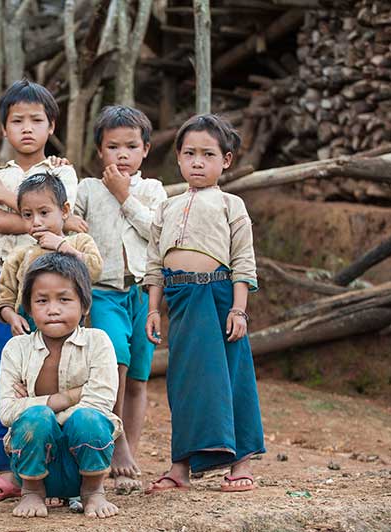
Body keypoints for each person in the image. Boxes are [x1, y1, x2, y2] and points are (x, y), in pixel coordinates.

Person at [0, 79, 86, 504]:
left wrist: (10, 201)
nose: (26, 128)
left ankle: (57, 472)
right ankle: (5, 469)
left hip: (55, 281)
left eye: (36, 120)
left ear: (51, 124)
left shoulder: (62, 171)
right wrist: (38, 215)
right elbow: (1, 224)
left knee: (60, 373)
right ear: (3, 129)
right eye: (16, 121)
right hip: (8, 282)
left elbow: (56, 222)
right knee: (2, 376)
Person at [143, 114, 265, 494]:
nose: (198, 162)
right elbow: (154, 263)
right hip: (180, 300)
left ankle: (240, 463)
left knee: (232, 374)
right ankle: (180, 467)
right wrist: (152, 309)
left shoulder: (232, 204)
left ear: (225, 161)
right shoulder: (166, 206)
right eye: (189, 153)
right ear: (178, 158)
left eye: (208, 154)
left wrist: (239, 309)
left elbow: (244, 261)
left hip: (219, 296)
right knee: (183, 382)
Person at [73, 106, 167, 494]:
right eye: (113, 147)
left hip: (143, 294)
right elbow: (70, 221)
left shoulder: (152, 190)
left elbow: (156, 233)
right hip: (104, 292)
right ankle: (118, 444)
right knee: (116, 367)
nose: (122, 155)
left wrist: (125, 196)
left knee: (139, 379)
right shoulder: (88, 189)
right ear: (100, 152)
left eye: (131, 146)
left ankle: (131, 450)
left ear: (145, 150)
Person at [0, 253, 121, 519]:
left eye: (64, 299)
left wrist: (41, 408)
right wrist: (68, 397)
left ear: (84, 305)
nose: (53, 309)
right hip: (37, 466)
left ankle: (93, 492)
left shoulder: (97, 342)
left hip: (85, 463)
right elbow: (7, 412)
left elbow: (100, 402)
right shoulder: (16, 349)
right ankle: (31, 492)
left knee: (88, 418)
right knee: (36, 419)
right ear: (28, 308)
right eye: (42, 301)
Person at [0, 173, 103, 336]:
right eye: (27, 215)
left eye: (44, 212)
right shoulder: (19, 256)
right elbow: (5, 298)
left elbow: (95, 270)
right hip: (30, 333)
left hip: (73, 332)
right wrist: (12, 318)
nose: (36, 221)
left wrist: (61, 245)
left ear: (65, 211)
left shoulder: (80, 242)